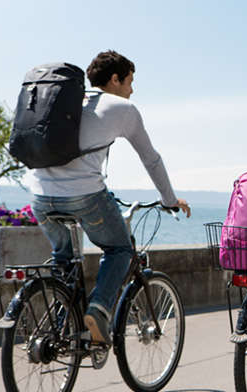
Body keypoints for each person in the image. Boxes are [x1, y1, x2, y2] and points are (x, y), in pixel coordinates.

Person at [30, 50, 190, 345]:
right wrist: (169, 199)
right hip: (83, 195)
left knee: (63, 259)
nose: (132, 89)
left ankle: (60, 332)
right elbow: (151, 159)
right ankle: (99, 310)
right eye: (130, 81)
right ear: (115, 79)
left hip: (39, 196)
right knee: (119, 250)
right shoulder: (122, 108)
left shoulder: (68, 103)